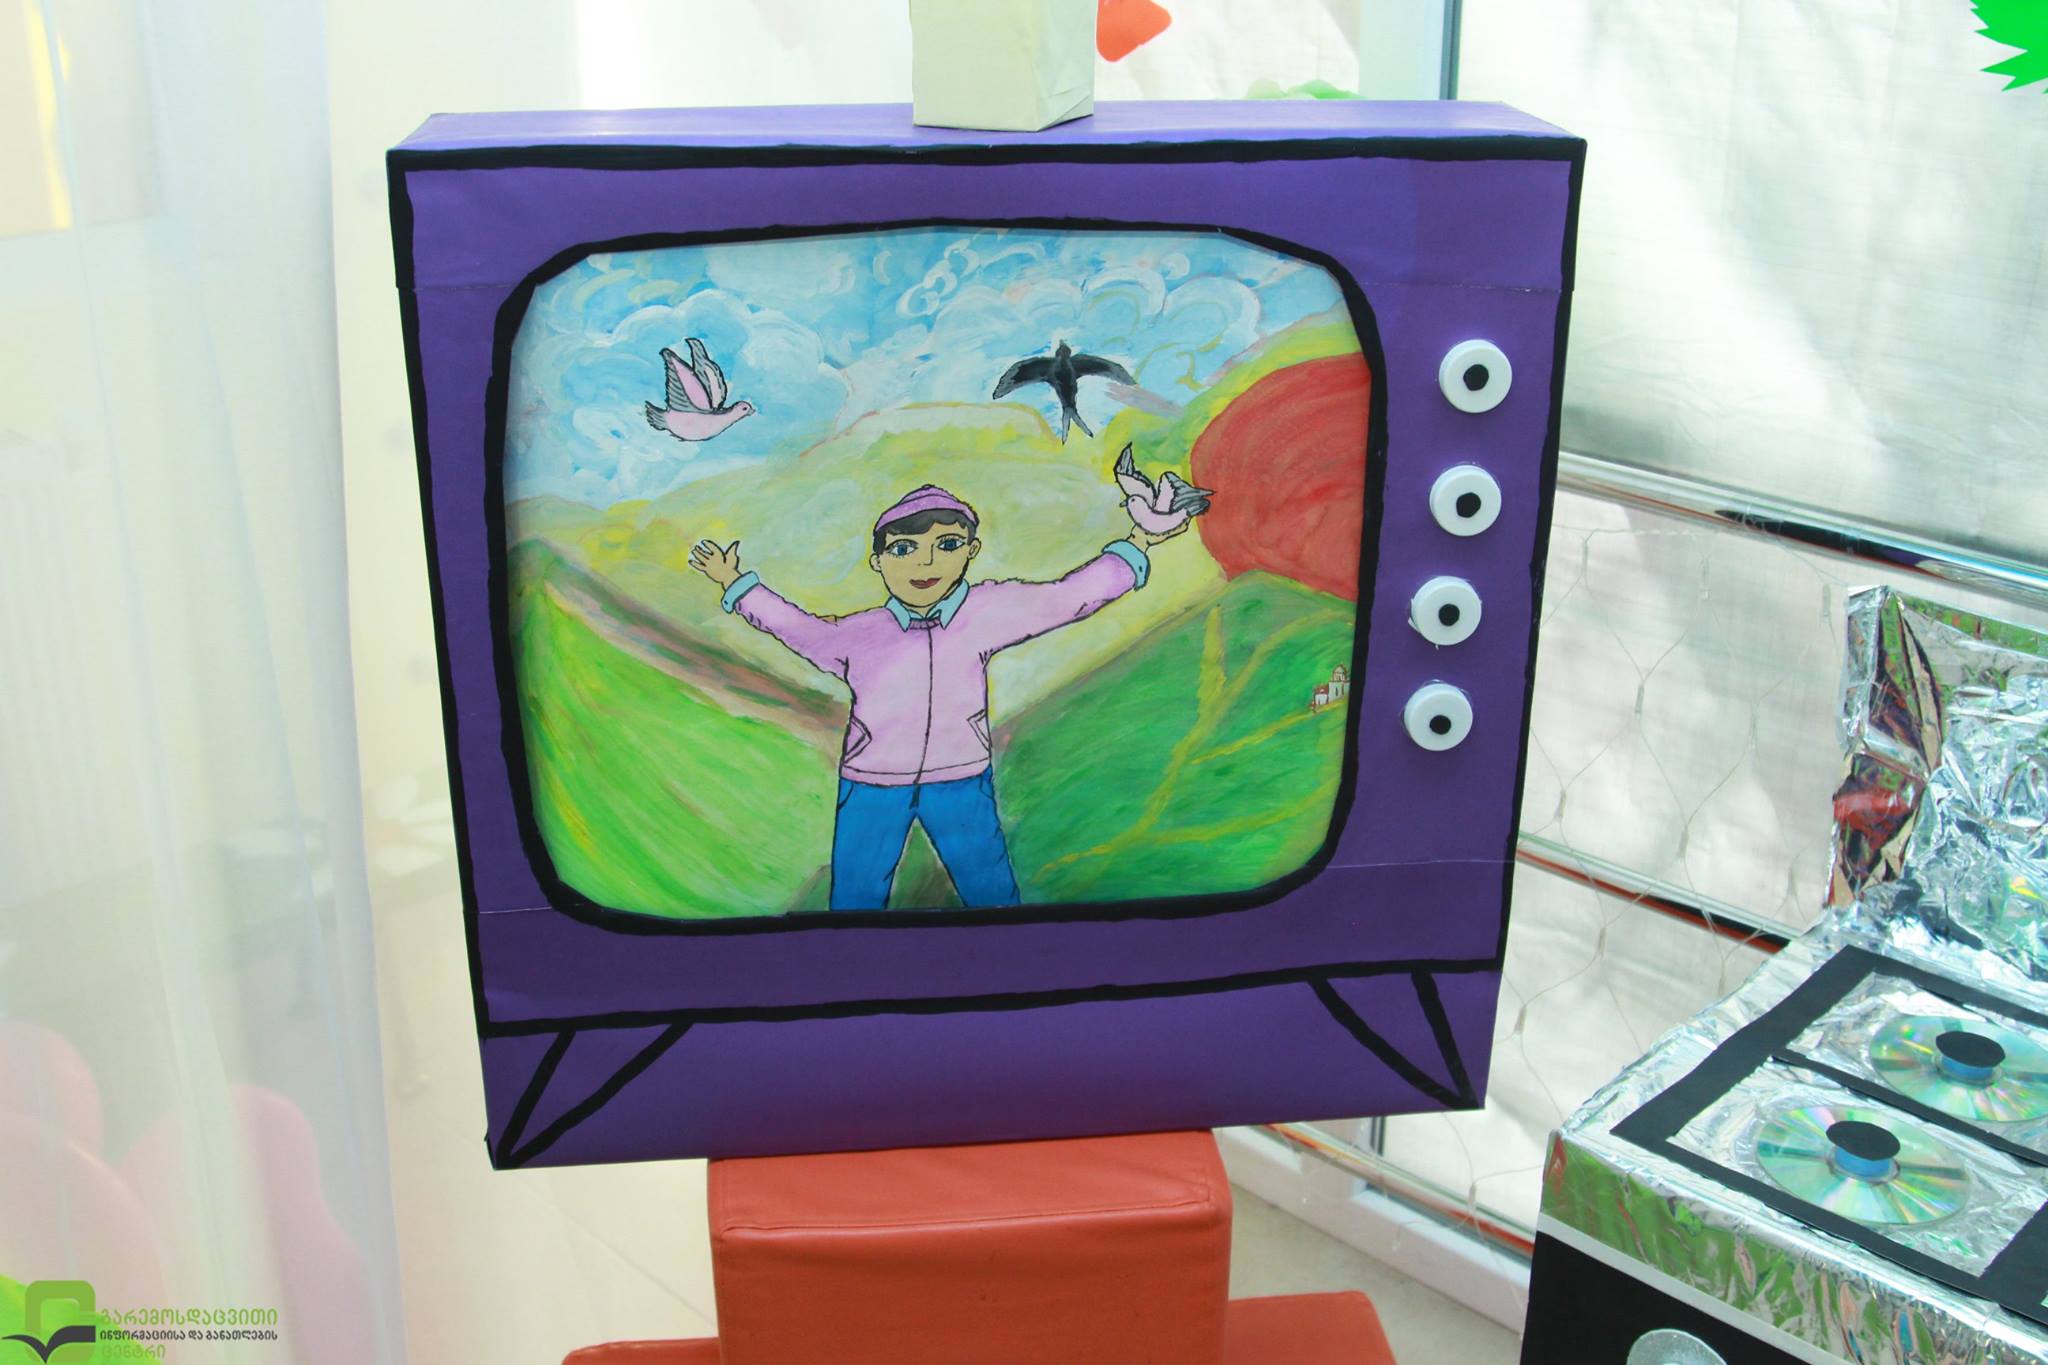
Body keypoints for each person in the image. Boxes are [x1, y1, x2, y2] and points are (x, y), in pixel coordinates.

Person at [690, 484, 1182, 910]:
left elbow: (1067, 598)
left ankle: (1014, 966)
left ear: (971, 550)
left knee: (990, 891)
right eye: (904, 549)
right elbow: (797, 629)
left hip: (961, 779)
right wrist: (736, 583)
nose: (925, 563)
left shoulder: (985, 611)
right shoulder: (860, 634)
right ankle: (849, 972)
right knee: (856, 897)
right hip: (872, 785)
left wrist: (1140, 540)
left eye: (946, 545)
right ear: (878, 561)